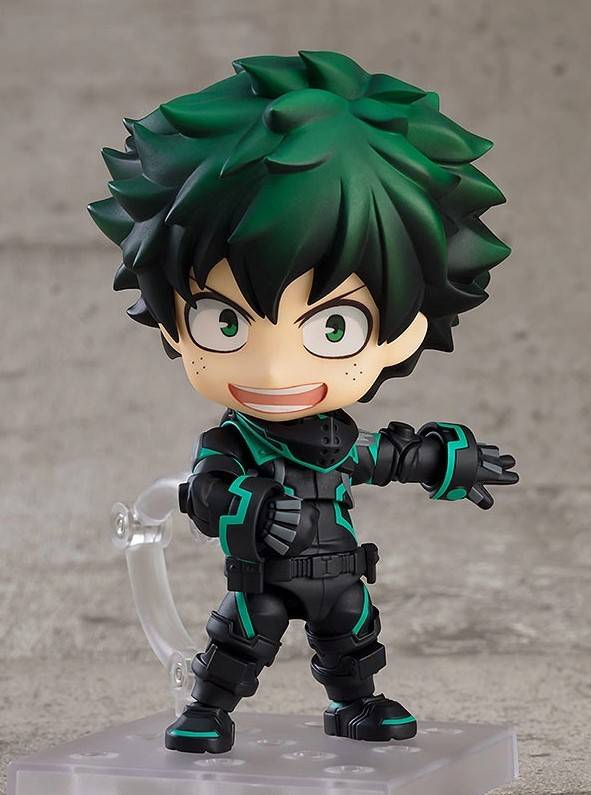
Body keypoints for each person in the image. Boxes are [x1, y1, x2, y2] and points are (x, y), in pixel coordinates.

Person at [89, 50, 518, 754]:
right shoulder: (236, 442)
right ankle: (207, 710)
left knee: (352, 637)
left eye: (332, 327)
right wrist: (249, 506)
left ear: (406, 328)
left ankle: (358, 703)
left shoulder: (337, 441)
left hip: (339, 574)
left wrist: (444, 460)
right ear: (171, 321)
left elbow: (384, 457)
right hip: (263, 575)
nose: (275, 366)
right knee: (241, 639)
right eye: (224, 321)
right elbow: (204, 493)